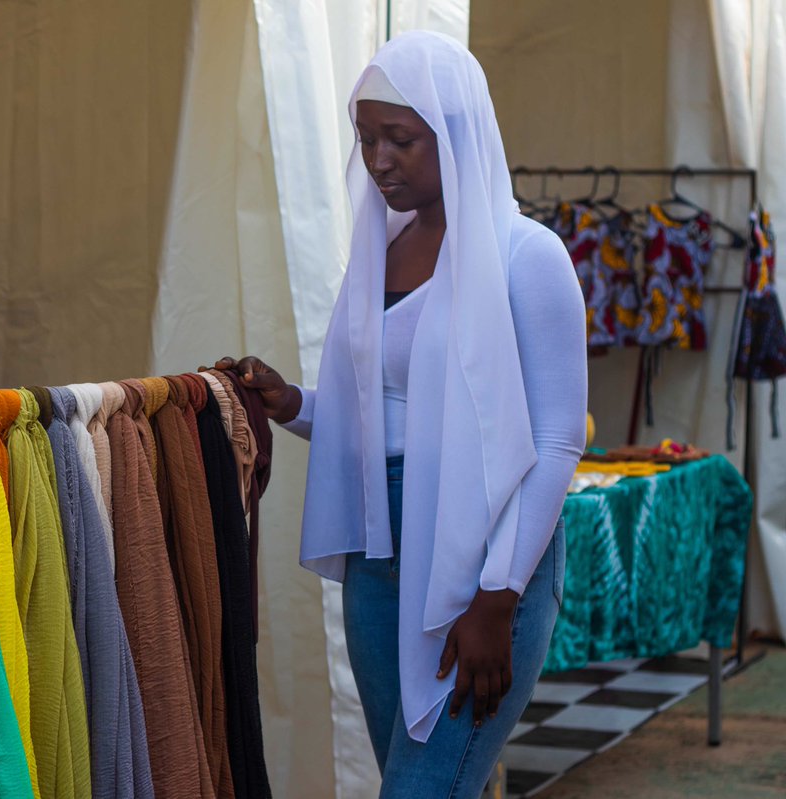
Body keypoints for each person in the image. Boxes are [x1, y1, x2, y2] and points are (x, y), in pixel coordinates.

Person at [211, 32, 587, 798]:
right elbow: (382, 414)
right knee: (422, 780)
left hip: (482, 557)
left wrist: (497, 599)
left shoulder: (527, 256)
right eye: (366, 138)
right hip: (379, 562)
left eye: (400, 139)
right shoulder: (381, 250)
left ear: (454, 132)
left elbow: (554, 443)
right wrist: (293, 404)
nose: (378, 159)